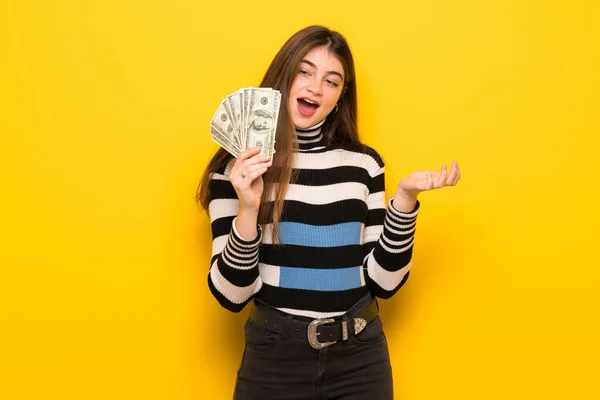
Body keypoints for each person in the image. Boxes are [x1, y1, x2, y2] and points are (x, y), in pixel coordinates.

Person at [197, 25, 460, 400]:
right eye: (304, 72)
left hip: (360, 357)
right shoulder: (233, 171)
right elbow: (231, 295)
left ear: (340, 96)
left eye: (331, 81)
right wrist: (249, 208)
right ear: (283, 78)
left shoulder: (364, 165)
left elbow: (384, 283)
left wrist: (404, 199)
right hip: (275, 357)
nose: (315, 88)